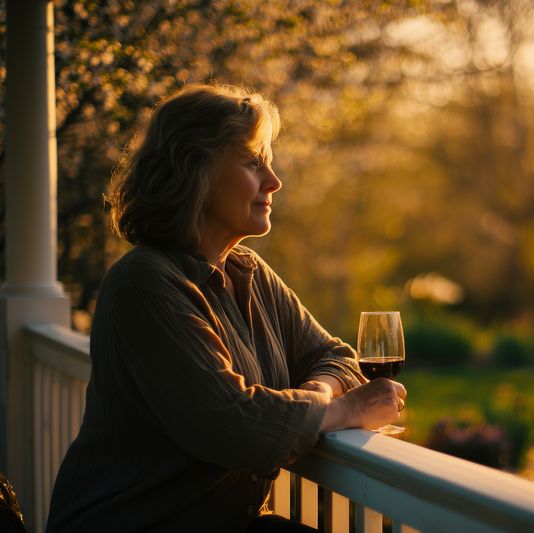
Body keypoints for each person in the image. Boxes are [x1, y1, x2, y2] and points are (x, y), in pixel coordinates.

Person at [46, 84, 406, 532]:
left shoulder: (246, 271)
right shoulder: (144, 283)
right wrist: (345, 410)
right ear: (194, 169)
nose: (274, 182)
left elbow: (335, 355)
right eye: (255, 163)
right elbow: (234, 426)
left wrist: (315, 393)